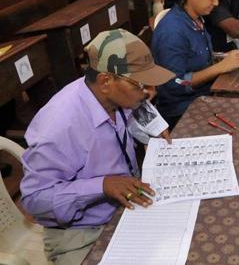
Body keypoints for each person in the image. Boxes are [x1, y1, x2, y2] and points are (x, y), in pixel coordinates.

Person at [20, 29, 175, 264]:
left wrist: (154, 125)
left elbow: (134, 112)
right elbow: (35, 200)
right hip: (81, 233)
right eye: (141, 84)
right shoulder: (60, 125)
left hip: (126, 208)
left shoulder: (112, 96)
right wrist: (101, 185)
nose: (149, 92)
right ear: (106, 81)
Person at [152, 0, 239, 128]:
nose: (216, 3)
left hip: (203, 96)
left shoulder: (195, 18)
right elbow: (177, 83)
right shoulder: (172, 32)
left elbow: (196, 56)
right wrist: (220, 67)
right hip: (181, 111)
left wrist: (224, 57)